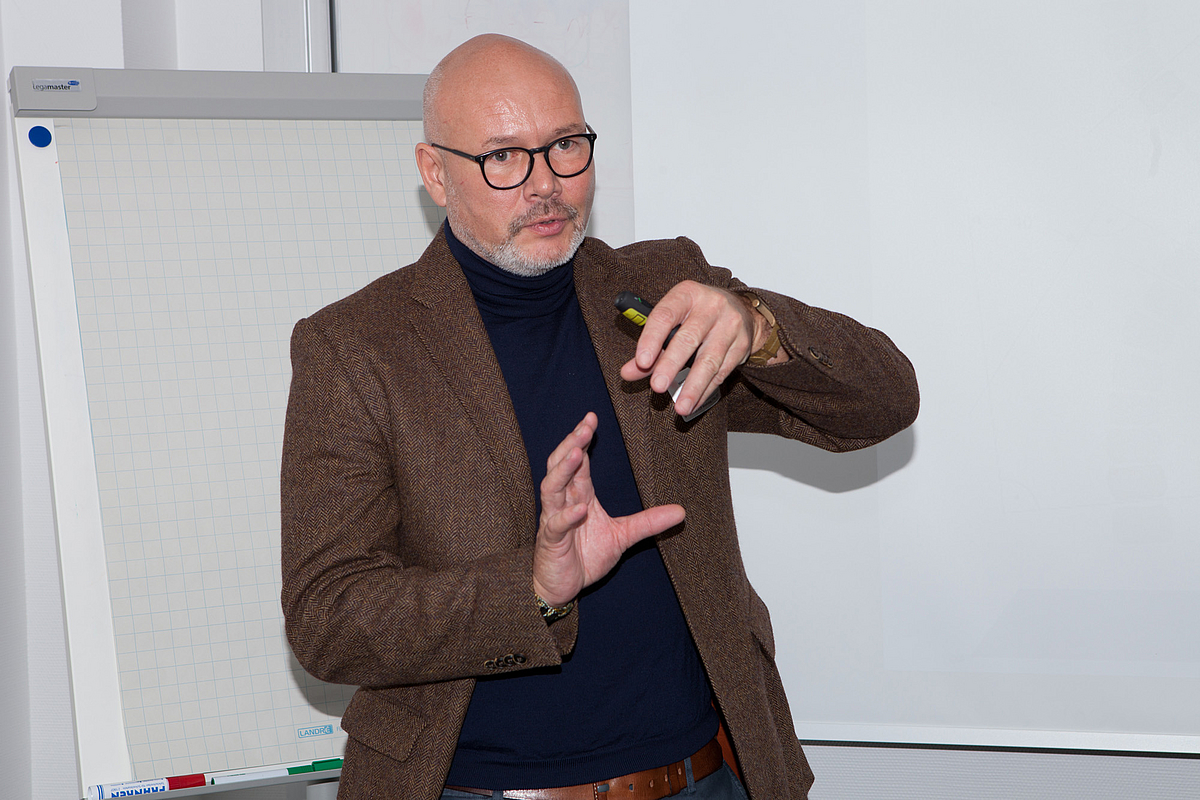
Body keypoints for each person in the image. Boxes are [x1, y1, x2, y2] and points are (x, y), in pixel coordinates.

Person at [281, 34, 918, 800]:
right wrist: (532, 587)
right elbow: (328, 618)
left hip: (703, 779)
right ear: (435, 173)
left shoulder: (661, 293)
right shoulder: (357, 347)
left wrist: (758, 327)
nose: (547, 184)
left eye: (566, 146)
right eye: (504, 157)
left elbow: (881, 404)